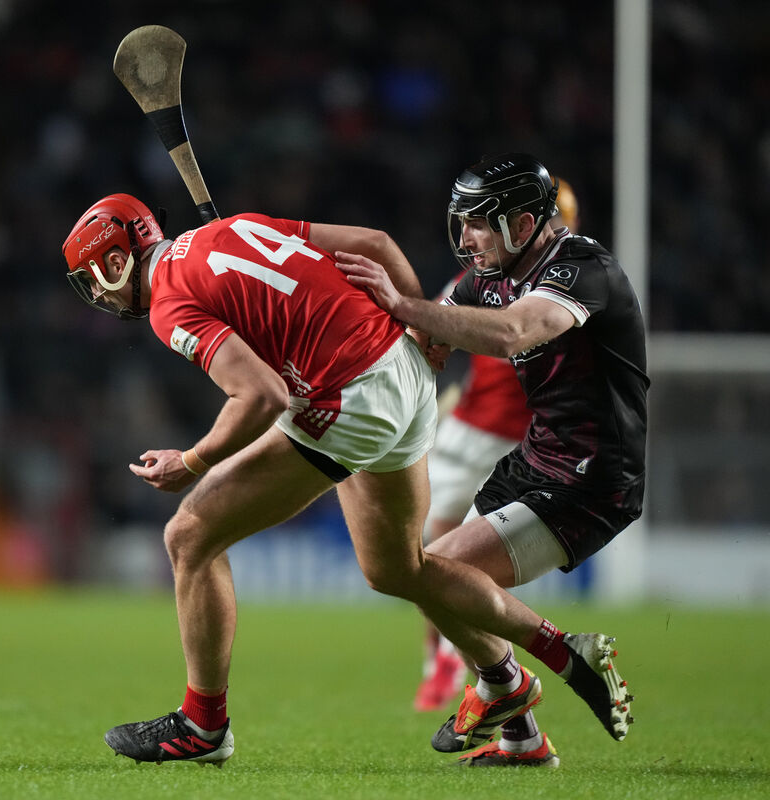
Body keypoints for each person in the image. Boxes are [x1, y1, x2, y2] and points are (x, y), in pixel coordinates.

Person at [61, 191, 632, 769]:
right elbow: (377, 244)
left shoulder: (168, 304)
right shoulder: (231, 227)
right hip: (405, 368)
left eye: (93, 281)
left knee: (189, 536)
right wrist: (424, 332)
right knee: (398, 568)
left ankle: (202, 727)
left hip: (350, 399)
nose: (100, 297)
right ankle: (541, 675)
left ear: (114, 262)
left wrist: (194, 461)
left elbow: (261, 396)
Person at [336, 153, 644, 767]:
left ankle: (552, 661)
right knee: (428, 576)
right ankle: (522, 739)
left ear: (525, 223)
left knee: (428, 571)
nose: (466, 237)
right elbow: (435, 327)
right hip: (535, 460)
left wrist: (406, 306)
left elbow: (512, 333)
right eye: (462, 222)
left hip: (593, 477)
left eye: (478, 223)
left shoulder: (583, 269)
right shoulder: (490, 276)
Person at [415, 177, 581, 713]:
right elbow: (432, 326)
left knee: (462, 560)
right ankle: (439, 663)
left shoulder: (571, 286)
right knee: (425, 555)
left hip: (524, 443)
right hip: (467, 431)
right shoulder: (476, 279)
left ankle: (494, 675)